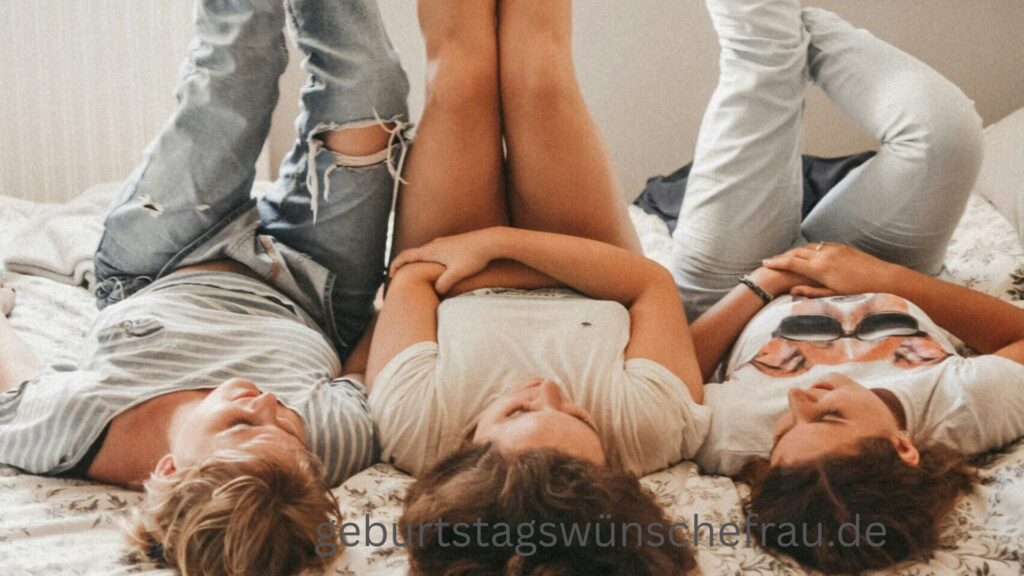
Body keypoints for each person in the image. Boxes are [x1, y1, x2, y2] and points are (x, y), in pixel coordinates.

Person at [0, 0, 409, 574]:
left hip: (163, 262)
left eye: (241, 424)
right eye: (287, 427)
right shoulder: (327, 445)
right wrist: (402, 286)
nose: (267, 403)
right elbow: (364, 366)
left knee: (237, 65)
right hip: (313, 286)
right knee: (372, 87)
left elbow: (13, 387)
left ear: (168, 469)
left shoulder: (74, 428)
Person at [669, 1, 1024, 572]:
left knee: (761, 60)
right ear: (903, 448)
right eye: (830, 416)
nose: (799, 401)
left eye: (785, 432)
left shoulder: (736, 436)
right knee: (947, 135)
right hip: (882, 265)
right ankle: (786, 19)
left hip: (737, 284)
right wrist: (882, 278)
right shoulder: (962, 412)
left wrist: (765, 282)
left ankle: (772, 24)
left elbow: (665, 372)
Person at [365, 0, 706, 573]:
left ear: (467, 444)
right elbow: (651, 284)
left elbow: (413, 276)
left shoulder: (417, 426)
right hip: (577, 254)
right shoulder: (646, 431)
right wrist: (500, 244)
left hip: (514, 266)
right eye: (578, 415)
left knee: (460, 76)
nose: (548, 388)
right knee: (538, 73)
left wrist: (494, 248)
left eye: (518, 410)